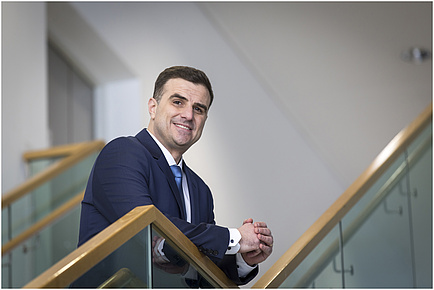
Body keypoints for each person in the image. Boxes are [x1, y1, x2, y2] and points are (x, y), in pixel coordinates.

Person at [76, 66, 273, 286]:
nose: (188, 115)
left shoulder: (201, 190)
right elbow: (147, 227)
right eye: (178, 102)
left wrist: (243, 258)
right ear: (153, 107)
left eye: (198, 109)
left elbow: (201, 268)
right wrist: (234, 238)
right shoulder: (122, 153)